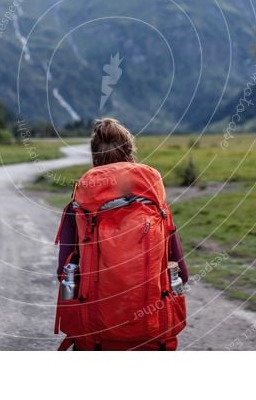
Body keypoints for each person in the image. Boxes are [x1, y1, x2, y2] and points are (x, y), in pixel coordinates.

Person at [55, 117, 189, 350]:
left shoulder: (80, 204)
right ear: (130, 155)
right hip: (152, 334)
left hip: (95, 337)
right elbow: (182, 274)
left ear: (95, 157)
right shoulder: (153, 198)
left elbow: (62, 273)